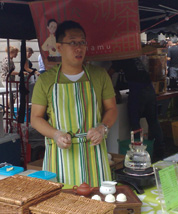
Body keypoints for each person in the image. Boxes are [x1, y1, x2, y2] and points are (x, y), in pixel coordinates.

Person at [31, 20, 118, 187]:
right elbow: (35, 118)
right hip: (60, 155)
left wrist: (102, 128)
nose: (79, 48)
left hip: (93, 153)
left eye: (82, 42)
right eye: (72, 42)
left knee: (97, 205)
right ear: (59, 46)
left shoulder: (99, 75)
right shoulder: (46, 80)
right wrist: (56, 134)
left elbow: (111, 109)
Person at [109, 57, 165, 160]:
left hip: (137, 90)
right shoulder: (133, 56)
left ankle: (138, 154)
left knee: (135, 123)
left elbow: (109, 73)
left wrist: (111, 91)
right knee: (153, 121)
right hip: (149, 88)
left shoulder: (121, 56)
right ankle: (158, 153)